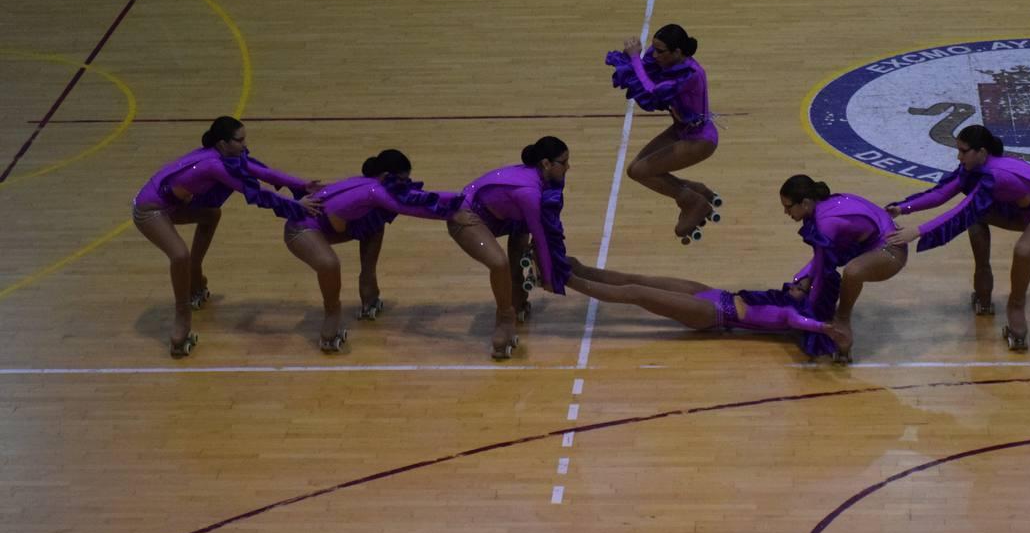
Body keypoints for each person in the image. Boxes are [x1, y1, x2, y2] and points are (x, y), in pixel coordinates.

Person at [132, 116, 321, 357]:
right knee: (179, 254)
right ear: (223, 143)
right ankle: (182, 316)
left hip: (174, 203)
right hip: (150, 210)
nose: (244, 145)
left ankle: (194, 274)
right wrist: (298, 205)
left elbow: (262, 171)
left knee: (211, 215)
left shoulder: (228, 155)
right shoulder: (214, 166)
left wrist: (301, 185)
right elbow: (255, 194)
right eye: (240, 140)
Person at [887, 125, 1030, 352]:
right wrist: (903, 208)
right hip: (1017, 211)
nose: (958, 156)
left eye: (963, 151)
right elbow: (941, 194)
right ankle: (983, 285)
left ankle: (1016, 306)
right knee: (976, 217)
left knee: (1023, 251)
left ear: (981, 152)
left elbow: (961, 210)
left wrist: (918, 231)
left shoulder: (997, 176)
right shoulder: (972, 167)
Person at [283, 149, 462, 353]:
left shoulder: (369, 182)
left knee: (375, 223)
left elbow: (418, 196)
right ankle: (332, 315)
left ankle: (368, 288)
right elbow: (413, 207)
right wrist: (453, 211)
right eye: (403, 180)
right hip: (300, 230)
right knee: (329, 264)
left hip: (326, 224)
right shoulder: (375, 192)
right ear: (387, 176)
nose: (405, 184)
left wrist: (457, 198)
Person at [447, 136, 571, 359]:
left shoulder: (541, 179)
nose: (568, 167)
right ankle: (505, 319)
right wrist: (550, 277)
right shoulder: (529, 192)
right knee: (499, 262)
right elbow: (541, 236)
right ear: (546, 164)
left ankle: (518, 296)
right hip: (467, 218)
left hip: (500, 215)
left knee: (520, 238)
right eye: (564, 162)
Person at [565, 259, 840, 354]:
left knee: (636, 293)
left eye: (800, 288)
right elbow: (814, 264)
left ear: (807, 299)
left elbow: (803, 324)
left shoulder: (790, 313)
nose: (793, 284)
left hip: (713, 314)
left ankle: (565, 279)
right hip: (715, 294)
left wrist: (826, 328)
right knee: (639, 279)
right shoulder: (788, 297)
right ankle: (579, 268)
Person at [605, 24, 720, 242]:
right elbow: (646, 71)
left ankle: (690, 200)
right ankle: (693, 191)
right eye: (654, 48)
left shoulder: (691, 74)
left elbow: (653, 91)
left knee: (641, 171)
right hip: (681, 130)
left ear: (677, 52)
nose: (654, 54)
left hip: (700, 139)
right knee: (633, 170)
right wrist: (636, 59)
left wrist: (634, 59)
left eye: (660, 51)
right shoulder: (664, 58)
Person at [779, 174, 906, 362]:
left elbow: (822, 272)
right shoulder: (824, 205)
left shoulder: (825, 224)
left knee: (852, 272)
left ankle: (843, 320)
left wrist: (809, 314)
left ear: (805, 203)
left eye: (788, 206)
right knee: (810, 278)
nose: (785, 212)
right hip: (873, 240)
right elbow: (822, 258)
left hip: (891, 250)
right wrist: (801, 280)